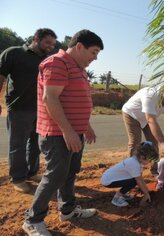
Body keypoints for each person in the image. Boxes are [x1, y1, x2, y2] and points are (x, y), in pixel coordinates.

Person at [22, 30, 104, 236]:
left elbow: (76, 100)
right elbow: (51, 99)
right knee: (56, 175)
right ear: (79, 47)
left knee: (70, 172)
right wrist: (68, 132)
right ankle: (33, 220)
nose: (95, 58)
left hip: (74, 132)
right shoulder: (57, 63)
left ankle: (67, 210)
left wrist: (86, 126)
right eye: (93, 52)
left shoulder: (79, 68)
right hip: (57, 134)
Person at [0, 28, 57, 193]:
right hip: (19, 108)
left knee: (35, 144)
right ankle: (18, 178)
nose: (50, 47)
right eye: (47, 43)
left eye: (52, 45)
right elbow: (1, 77)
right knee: (17, 145)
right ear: (36, 38)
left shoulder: (48, 59)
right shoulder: (14, 53)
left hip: (41, 109)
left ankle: (32, 173)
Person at [122, 82, 164, 174]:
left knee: (154, 143)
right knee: (135, 142)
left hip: (148, 117)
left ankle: (154, 169)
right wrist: (163, 142)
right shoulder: (150, 94)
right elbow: (151, 120)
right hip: (132, 114)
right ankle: (131, 171)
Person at [101, 141, 159, 207]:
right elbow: (138, 180)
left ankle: (123, 194)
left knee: (134, 179)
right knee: (133, 181)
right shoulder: (134, 164)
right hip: (108, 181)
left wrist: (147, 191)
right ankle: (116, 198)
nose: (150, 162)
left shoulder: (138, 161)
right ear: (142, 157)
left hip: (111, 177)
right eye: (149, 160)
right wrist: (146, 194)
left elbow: (140, 178)